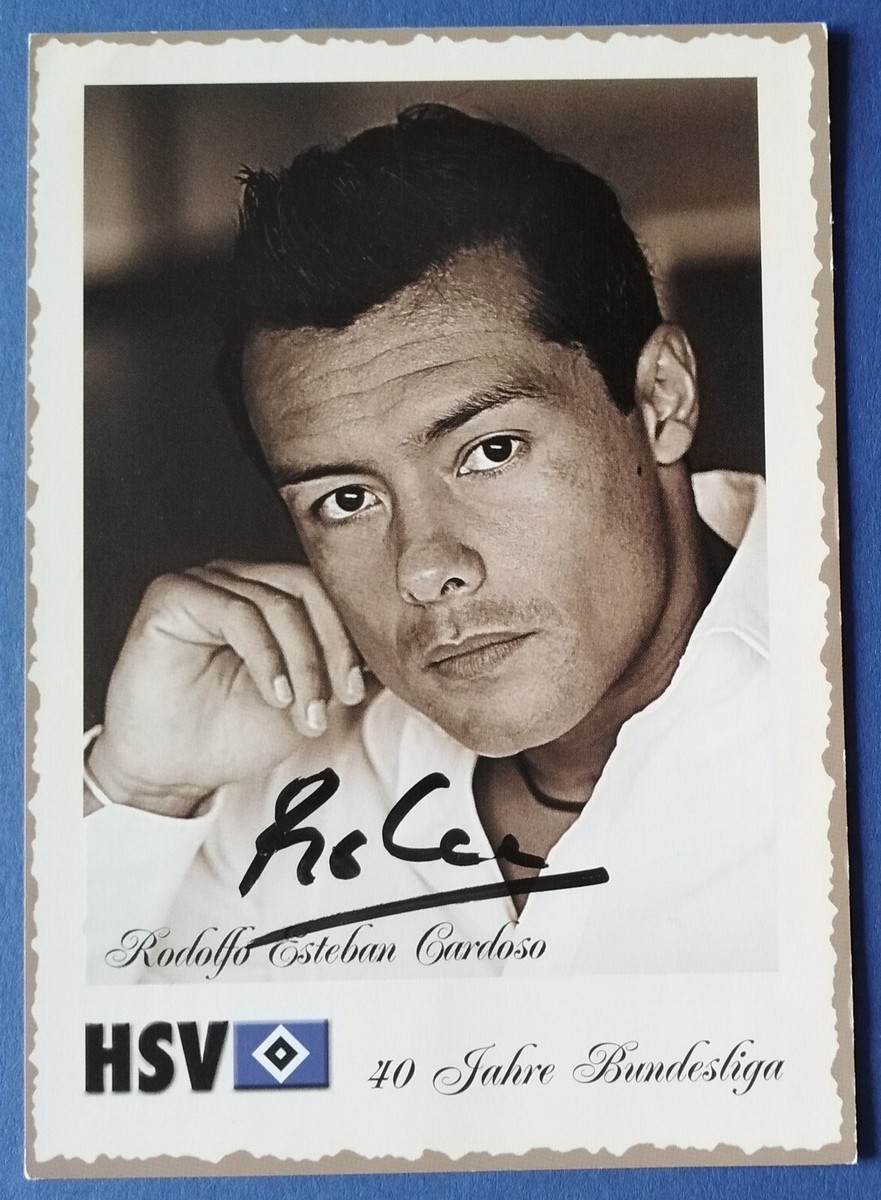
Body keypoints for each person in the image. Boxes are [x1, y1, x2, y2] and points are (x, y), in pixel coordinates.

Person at [84, 104, 774, 982]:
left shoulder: (840, 716)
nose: (425, 568)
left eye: (491, 451)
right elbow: (65, 1055)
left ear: (660, 398)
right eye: (346, 499)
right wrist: (137, 790)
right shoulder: (280, 793)